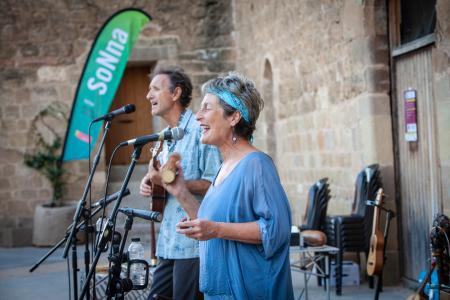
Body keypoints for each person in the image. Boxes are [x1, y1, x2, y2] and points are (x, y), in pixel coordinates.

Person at [162, 72, 294, 299]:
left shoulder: (257, 165)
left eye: (206, 108)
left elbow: (276, 231)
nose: (197, 117)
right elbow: (210, 222)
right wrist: (180, 191)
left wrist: (216, 229)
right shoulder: (224, 167)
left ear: (233, 117)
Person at [139, 66, 221, 300]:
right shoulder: (163, 138)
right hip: (167, 241)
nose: (148, 96)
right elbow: (162, 177)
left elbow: (214, 183)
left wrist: (172, 182)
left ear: (175, 93)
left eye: (155, 89)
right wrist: (151, 182)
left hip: (193, 242)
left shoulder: (200, 131)